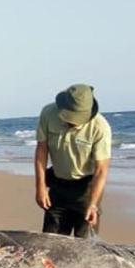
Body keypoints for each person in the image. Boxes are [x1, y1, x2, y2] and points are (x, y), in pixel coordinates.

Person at [34, 84, 111, 238]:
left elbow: (101, 169)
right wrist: (40, 187)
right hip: (58, 183)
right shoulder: (48, 113)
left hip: (87, 187)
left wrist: (93, 204)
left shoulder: (100, 127)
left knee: (84, 243)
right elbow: (42, 150)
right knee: (50, 240)